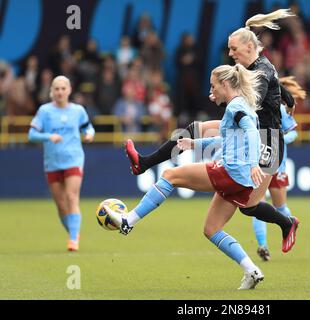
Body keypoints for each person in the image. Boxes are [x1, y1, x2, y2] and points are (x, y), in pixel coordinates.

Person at [125, 9, 300, 252]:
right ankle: (144, 163)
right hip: (249, 130)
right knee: (195, 129)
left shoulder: (261, 71)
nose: (230, 53)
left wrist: (225, 95)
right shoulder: (259, 67)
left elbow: (253, 97)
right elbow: (270, 84)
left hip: (266, 141)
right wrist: (287, 97)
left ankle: (287, 224)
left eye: (233, 49)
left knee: (249, 206)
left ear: (249, 46)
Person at [105, 64, 277, 290]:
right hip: (242, 181)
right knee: (212, 230)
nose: (210, 92)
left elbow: (253, 134)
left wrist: (255, 162)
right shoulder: (241, 105)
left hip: (231, 172)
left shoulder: (235, 106)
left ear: (225, 84)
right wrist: (194, 143)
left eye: (213, 86)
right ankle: (251, 270)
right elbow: (227, 142)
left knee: (170, 175)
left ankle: (128, 221)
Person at [28, 76, 95, 251]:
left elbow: (88, 127)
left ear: (69, 90)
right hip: (52, 162)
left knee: (72, 197)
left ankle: (73, 239)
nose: (60, 92)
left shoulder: (78, 111)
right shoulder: (45, 111)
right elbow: (31, 134)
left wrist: (89, 134)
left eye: (63, 88)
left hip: (73, 159)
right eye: (56, 89)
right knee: (61, 204)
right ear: (52, 91)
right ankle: (74, 232)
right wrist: (48, 136)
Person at [253, 76, 305, 261]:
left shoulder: (280, 110)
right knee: (256, 204)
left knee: (279, 206)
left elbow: (293, 133)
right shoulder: (254, 108)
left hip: (277, 164)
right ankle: (262, 244)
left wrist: (278, 137)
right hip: (259, 164)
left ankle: (290, 226)